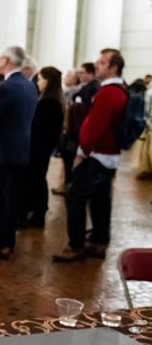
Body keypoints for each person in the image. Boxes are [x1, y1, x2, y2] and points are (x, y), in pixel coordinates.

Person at [53, 49, 128, 262]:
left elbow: (95, 126)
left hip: (96, 155)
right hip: (108, 155)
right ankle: (98, 240)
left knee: (75, 196)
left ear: (114, 67)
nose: (97, 65)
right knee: (100, 199)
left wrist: (82, 152)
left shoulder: (108, 93)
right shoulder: (119, 90)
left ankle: (75, 245)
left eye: (103, 62)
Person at [0, 46, 37, 259]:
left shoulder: (4, 87)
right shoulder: (29, 85)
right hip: (20, 151)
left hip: (0, 153)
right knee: (13, 200)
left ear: (5, 60)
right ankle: (9, 243)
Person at [22, 67, 64, 227]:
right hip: (42, 146)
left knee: (36, 180)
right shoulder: (51, 99)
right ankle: (38, 212)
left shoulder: (49, 101)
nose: (37, 82)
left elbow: (40, 126)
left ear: (48, 80)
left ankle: (38, 214)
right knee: (38, 180)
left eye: (40, 79)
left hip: (39, 147)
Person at [54, 63, 99, 195]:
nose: (80, 75)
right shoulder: (86, 88)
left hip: (77, 131)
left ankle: (72, 185)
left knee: (72, 160)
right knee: (68, 158)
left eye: (83, 73)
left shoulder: (92, 88)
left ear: (91, 74)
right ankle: (69, 184)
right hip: (73, 130)